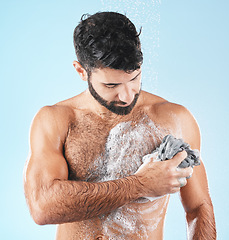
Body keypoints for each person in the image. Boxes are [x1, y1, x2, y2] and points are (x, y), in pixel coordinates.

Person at [24, 12, 216, 240]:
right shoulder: (56, 120)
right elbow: (42, 206)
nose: (126, 96)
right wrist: (140, 185)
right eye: (111, 84)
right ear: (81, 71)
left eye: (134, 78)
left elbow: (198, 208)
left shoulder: (174, 119)